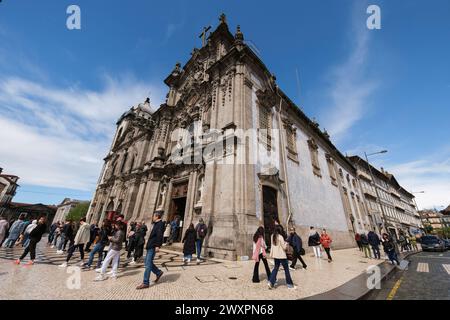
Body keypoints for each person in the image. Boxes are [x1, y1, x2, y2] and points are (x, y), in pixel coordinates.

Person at [136, 211, 165, 289]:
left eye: (153, 216)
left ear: (157, 216)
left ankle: (145, 282)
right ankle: (158, 272)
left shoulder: (160, 224)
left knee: (147, 264)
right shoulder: (156, 224)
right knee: (147, 262)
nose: (152, 217)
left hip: (153, 246)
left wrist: (157, 245)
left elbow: (159, 235)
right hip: (151, 245)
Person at [268, 225, 296, 290]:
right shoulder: (280, 237)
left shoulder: (272, 236)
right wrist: (286, 244)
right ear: (280, 230)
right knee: (286, 269)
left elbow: (272, 246)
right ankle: (290, 285)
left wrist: (271, 254)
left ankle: (271, 282)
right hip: (281, 256)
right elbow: (284, 247)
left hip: (275, 255)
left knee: (275, 268)